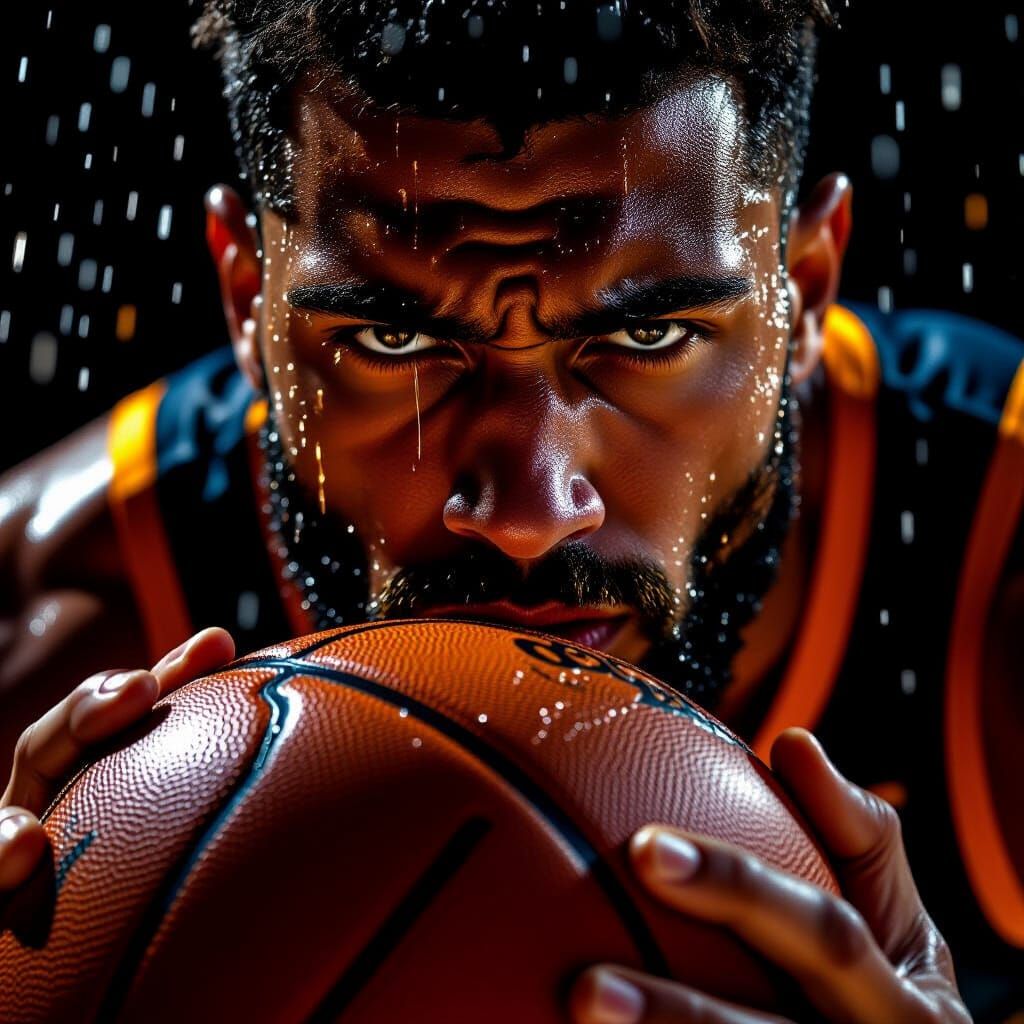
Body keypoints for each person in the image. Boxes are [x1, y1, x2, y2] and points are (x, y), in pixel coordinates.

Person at [1, 0, 1020, 1019]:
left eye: (650, 337)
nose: (528, 514)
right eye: (394, 344)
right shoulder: (54, 632)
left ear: (805, 288)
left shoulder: (1000, 565)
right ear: (246, 298)